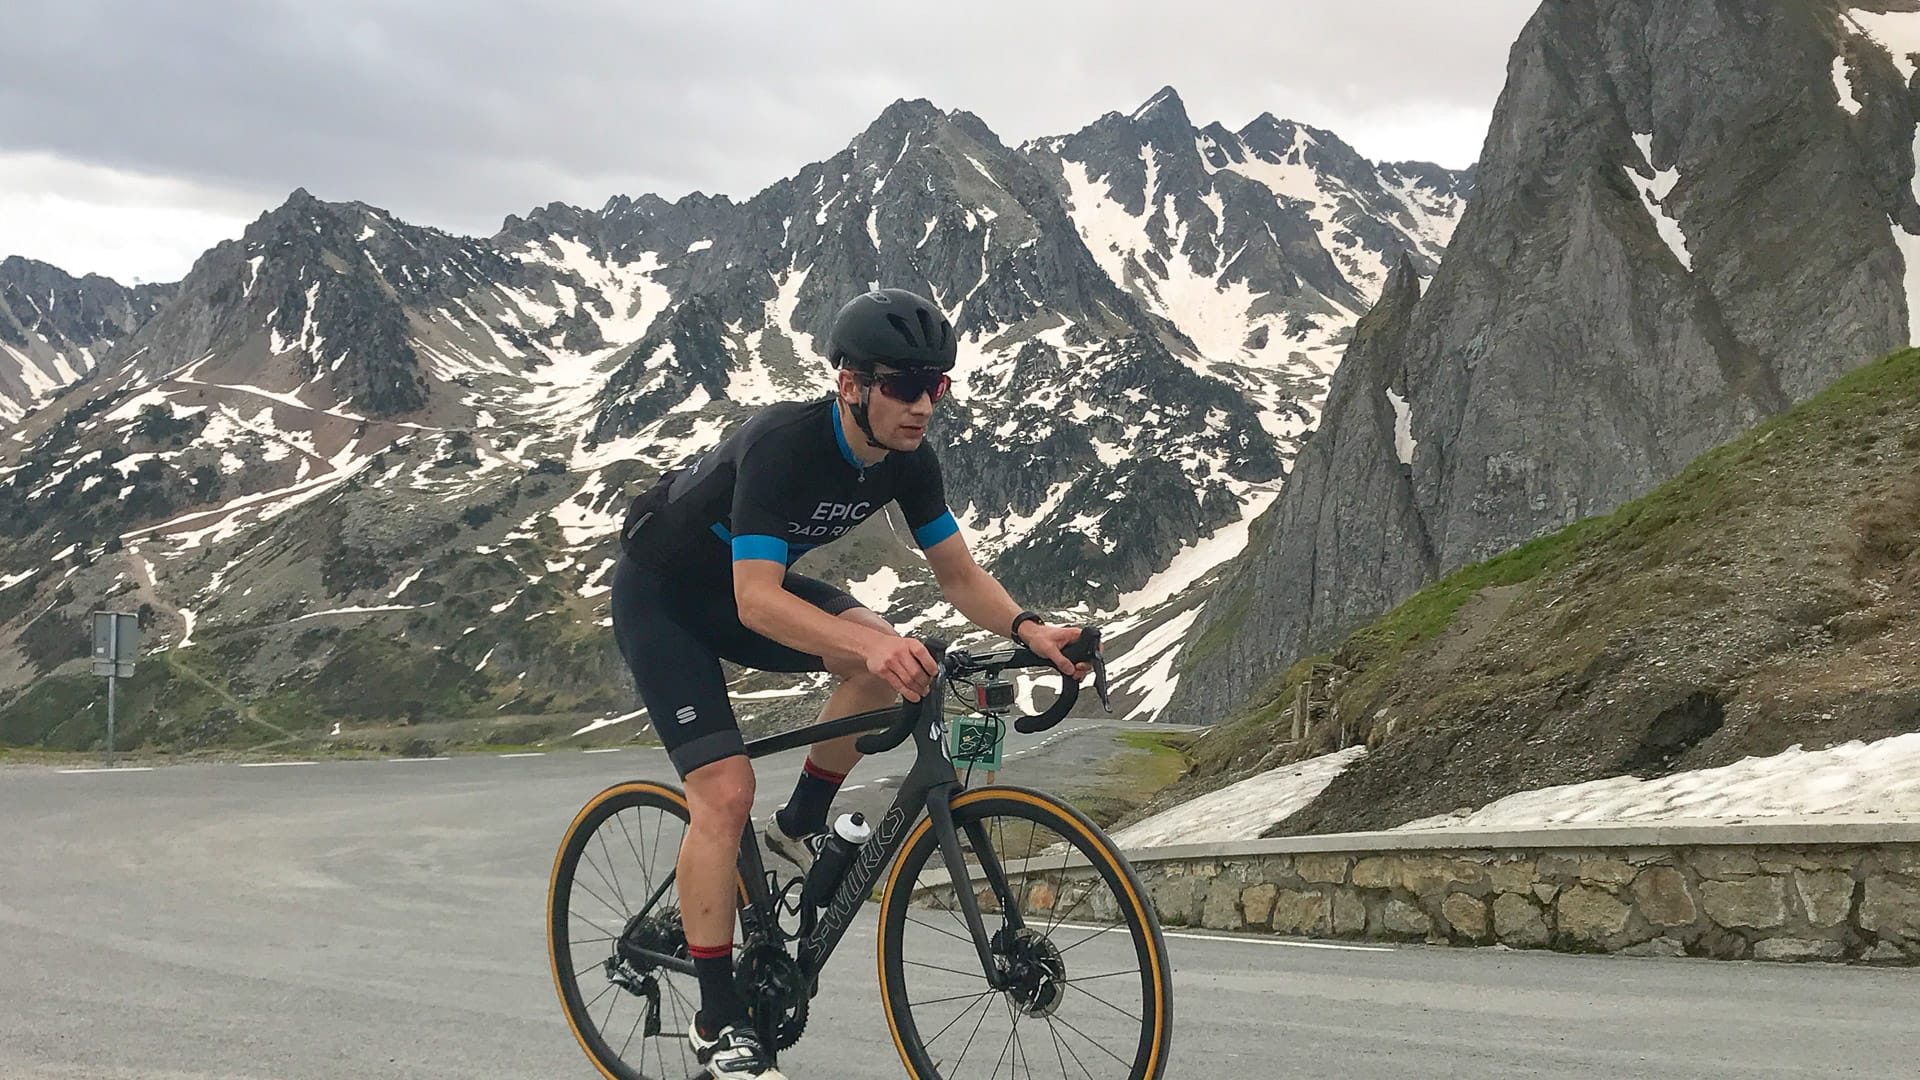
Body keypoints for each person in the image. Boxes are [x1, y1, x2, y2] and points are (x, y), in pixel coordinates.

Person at [611, 287, 1091, 1078]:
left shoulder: (909, 460)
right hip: (664, 595)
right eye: (903, 385)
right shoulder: (783, 444)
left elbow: (959, 576)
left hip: (742, 590)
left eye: (936, 386)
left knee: (884, 649)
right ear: (850, 384)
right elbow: (756, 600)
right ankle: (717, 1021)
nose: (922, 405)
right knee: (725, 793)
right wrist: (871, 650)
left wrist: (1030, 630)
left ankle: (796, 826)